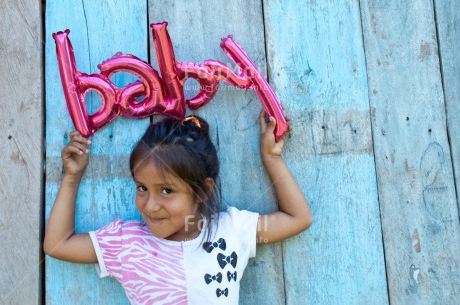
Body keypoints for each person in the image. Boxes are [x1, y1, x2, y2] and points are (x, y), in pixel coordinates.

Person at [44, 110, 313, 304]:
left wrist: (271, 158)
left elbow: (298, 218)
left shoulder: (231, 231)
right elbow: (57, 245)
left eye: (167, 191)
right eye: (142, 188)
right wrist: (71, 177)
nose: (150, 205)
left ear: (203, 191)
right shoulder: (127, 244)